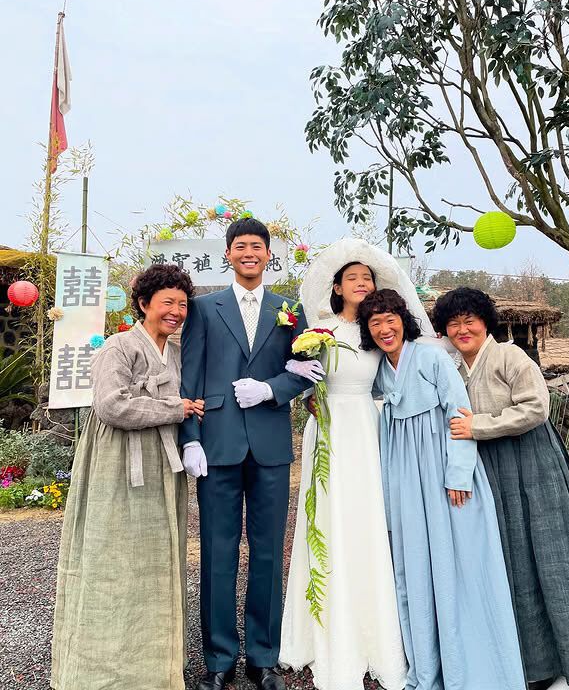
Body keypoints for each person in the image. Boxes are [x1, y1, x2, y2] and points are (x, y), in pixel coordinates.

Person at [280, 239, 450, 690]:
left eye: (367, 278)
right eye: (351, 278)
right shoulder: (319, 329)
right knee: (327, 518)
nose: (360, 283)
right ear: (336, 287)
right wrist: (307, 393)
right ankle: (321, 633)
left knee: (368, 520)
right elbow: (302, 377)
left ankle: (375, 632)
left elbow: (398, 374)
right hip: (328, 427)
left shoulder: (380, 330)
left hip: (367, 427)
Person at [433, 287, 569, 690]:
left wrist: (478, 426)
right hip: (490, 469)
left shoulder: (510, 355)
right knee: (512, 561)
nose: (462, 329)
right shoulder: (453, 367)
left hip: (531, 462)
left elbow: (536, 407)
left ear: (486, 322)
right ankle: (530, 665)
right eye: (453, 323)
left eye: (470, 320)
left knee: (552, 557)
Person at [358, 288, 526, 690]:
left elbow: (459, 414)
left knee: (461, 565)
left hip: (442, 471)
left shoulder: (432, 358)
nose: (384, 329)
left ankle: (475, 669)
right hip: (404, 476)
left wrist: (459, 474)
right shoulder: (378, 370)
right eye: (375, 322)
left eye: (390, 319)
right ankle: (427, 665)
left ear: (404, 321)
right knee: (414, 567)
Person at [51, 263, 203, 690]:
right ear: (143, 303)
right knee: (112, 558)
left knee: (157, 559)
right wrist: (175, 408)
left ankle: (154, 665)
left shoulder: (178, 351)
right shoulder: (118, 347)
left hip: (161, 462)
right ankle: (102, 667)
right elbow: (111, 405)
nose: (176, 312)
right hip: (117, 462)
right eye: (167, 302)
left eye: (182, 304)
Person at [179, 218, 314, 690]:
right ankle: (218, 660)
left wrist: (272, 389)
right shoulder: (203, 308)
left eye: (257, 246)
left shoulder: (290, 309)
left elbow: (307, 368)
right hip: (217, 444)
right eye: (240, 246)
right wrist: (190, 437)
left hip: (271, 444)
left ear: (269, 254)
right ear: (228, 254)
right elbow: (190, 375)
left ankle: (263, 658)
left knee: (268, 553)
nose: (249, 253)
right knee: (217, 553)